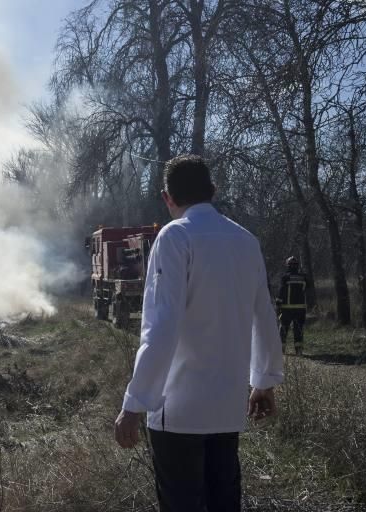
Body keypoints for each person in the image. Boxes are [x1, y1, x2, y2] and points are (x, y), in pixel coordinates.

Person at [113, 155, 284, 512]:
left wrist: (135, 402)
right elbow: (264, 315)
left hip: (178, 411)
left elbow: (162, 326)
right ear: (214, 191)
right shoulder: (246, 240)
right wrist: (263, 382)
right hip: (226, 409)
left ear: (167, 197)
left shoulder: (175, 236)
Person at [276, 256, 307, 355]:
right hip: (300, 308)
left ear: (288, 266)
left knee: (283, 328)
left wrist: (278, 304)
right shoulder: (304, 277)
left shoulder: (285, 277)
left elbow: (281, 292)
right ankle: (299, 350)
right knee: (298, 329)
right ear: (297, 266)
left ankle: (281, 350)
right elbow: (307, 289)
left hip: (286, 308)